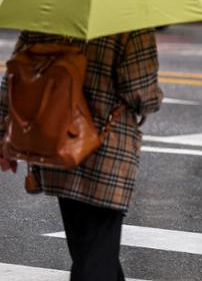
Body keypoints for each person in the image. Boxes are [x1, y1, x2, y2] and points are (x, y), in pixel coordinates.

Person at [0, 29, 163, 281]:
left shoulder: (47, 13)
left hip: (57, 147)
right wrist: (152, 101)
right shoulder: (129, 24)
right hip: (107, 154)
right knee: (95, 257)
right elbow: (141, 92)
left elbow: (14, 77)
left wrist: (3, 134)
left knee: (91, 250)